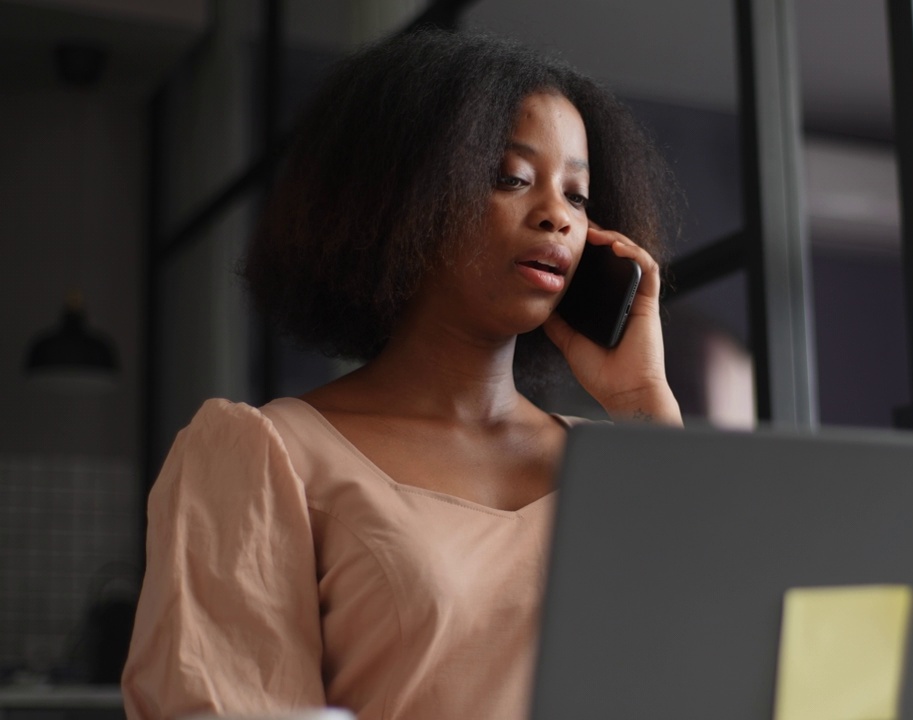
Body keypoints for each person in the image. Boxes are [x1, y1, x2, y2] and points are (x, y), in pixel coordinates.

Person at [121, 27, 683, 720]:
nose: (557, 217)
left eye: (579, 195)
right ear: (401, 199)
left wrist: (641, 402)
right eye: (511, 177)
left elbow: (713, 657)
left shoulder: (621, 462)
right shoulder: (266, 455)